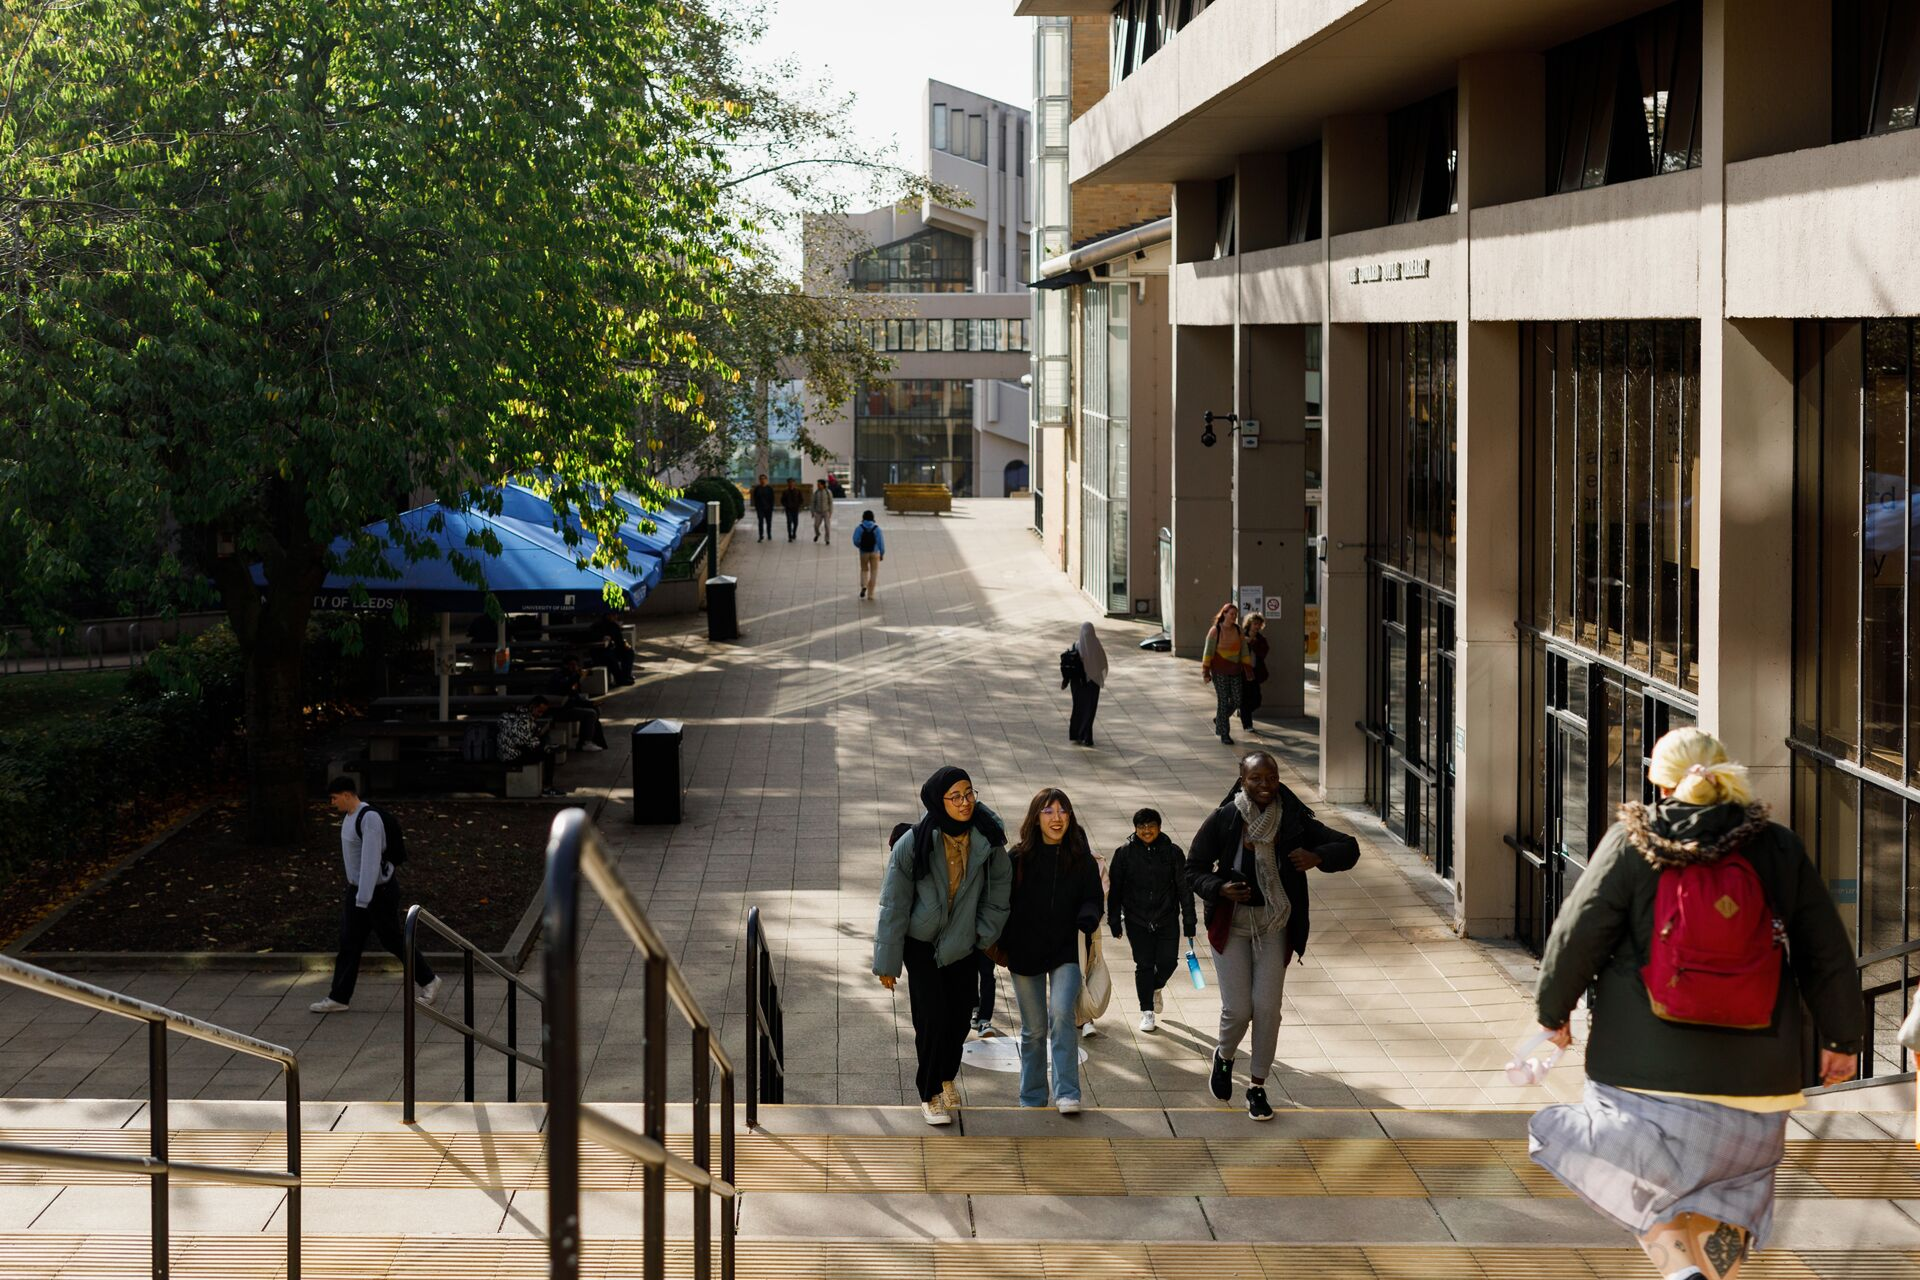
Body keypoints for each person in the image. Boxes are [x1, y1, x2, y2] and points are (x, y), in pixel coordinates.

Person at [1528, 729, 1862, 1280]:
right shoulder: (1777, 847)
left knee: (1644, 1183)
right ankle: (1701, 1277)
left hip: (1640, 1076)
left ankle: (1680, 1274)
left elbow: (1577, 934)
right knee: (1731, 1190)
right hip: (1757, 1081)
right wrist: (1841, 1042)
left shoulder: (1633, 842)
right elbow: (1825, 951)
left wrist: (1552, 1014)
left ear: (1659, 779)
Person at [1188, 750, 1359, 1120]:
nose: (1265, 786)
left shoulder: (1294, 820)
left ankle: (1257, 1088)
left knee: (1267, 1009)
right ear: (1241, 779)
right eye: (1256, 779)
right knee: (1238, 1009)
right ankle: (1224, 1056)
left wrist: (1318, 857)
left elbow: (1349, 846)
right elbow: (1193, 870)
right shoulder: (1226, 818)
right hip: (1231, 925)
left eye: (1271, 778)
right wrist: (1219, 888)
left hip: (1275, 924)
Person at [874, 767, 1011, 1127]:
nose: (965, 803)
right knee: (932, 1020)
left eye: (969, 794)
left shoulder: (988, 837)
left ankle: (947, 1075)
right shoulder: (915, 842)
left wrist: (982, 934)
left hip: (964, 943)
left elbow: (999, 892)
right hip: (921, 946)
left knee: (959, 1018)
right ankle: (929, 1092)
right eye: (956, 796)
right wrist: (887, 962)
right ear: (939, 801)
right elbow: (894, 904)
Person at [1001, 788, 1105, 1114]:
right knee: (1033, 1030)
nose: (1056, 818)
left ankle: (1067, 1093)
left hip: (1066, 952)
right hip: (1025, 953)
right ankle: (1031, 1097)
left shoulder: (1081, 858)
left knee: (1062, 1015)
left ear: (1070, 817)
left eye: (1063, 811)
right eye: (1048, 811)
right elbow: (999, 901)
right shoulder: (1017, 858)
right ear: (1036, 817)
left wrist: (1089, 916)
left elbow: (1093, 897)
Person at [311, 779, 441, 1013]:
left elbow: (371, 861)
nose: (332, 803)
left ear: (348, 794)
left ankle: (429, 981)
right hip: (359, 891)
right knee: (349, 943)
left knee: (391, 939)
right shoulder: (350, 817)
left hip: (376, 893)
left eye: (334, 797)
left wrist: (363, 899)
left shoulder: (368, 819)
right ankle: (339, 997)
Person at [1108, 807, 1195, 1034]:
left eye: (1151, 826)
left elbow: (1184, 889)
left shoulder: (1173, 853)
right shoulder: (1124, 854)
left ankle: (1156, 986)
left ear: (1159, 827)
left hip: (1167, 918)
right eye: (1141, 827)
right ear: (1135, 829)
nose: (1146, 831)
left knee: (1169, 962)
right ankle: (1147, 1010)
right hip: (1137, 919)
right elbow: (1115, 889)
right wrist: (1114, 920)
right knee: (1144, 964)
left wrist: (1189, 920)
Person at [1201, 602, 1252, 745]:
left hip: (1235, 670)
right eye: (1231, 614)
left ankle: (1220, 719)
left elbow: (1244, 650)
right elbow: (1208, 652)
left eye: (1236, 615)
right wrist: (1205, 671)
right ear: (1224, 614)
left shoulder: (1238, 630)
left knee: (1237, 700)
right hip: (1219, 670)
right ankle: (1225, 734)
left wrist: (1248, 668)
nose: (1234, 617)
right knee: (1223, 701)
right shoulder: (1215, 630)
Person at [497, 695, 564, 796]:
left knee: (545, 742)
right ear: (532, 707)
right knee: (549, 754)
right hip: (512, 755)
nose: (540, 715)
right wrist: (542, 746)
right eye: (539, 711)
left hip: (507, 751)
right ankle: (548, 787)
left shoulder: (517, 713)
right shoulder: (523, 720)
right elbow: (523, 742)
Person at [543, 657, 607, 751]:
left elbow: (576, 698)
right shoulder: (558, 676)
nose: (574, 667)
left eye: (576, 665)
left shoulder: (571, 676)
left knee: (596, 709)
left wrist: (592, 703)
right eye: (571, 665)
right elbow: (565, 688)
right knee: (590, 714)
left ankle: (589, 740)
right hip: (559, 709)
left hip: (569, 705)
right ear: (565, 665)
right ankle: (586, 742)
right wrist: (577, 676)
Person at [1064, 622, 1107, 747]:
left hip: (1077, 685)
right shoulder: (1097, 645)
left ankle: (1078, 734)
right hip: (1093, 685)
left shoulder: (1076, 646)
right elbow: (1103, 663)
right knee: (1089, 710)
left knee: (1079, 709)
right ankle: (1087, 736)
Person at [1239, 613, 1270, 732]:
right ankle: (1247, 724)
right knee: (1245, 698)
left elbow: (1263, 653)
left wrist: (1253, 642)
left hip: (1255, 673)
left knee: (1257, 700)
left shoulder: (1261, 639)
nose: (1257, 626)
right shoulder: (1241, 636)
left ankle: (1242, 712)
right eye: (1255, 624)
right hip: (1242, 673)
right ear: (1249, 624)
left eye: (1259, 624)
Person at [589, 614, 635, 686]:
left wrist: (625, 646)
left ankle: (626, 675)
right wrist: (603, 637)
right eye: (613, 615)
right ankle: (619, 679)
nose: (615, 617)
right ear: (607, 615)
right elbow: (592, 638)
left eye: (616, 615)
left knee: (629, 652)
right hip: (600, 651)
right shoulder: (597, 626)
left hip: (612, 649)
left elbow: (619, 641)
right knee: (610, 657)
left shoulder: (614, 626)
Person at [852, 509, 886, 600]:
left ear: (863, 518)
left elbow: (855, 540)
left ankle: (864, 585)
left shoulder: (859, 528)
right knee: (874, 572)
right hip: (875, 552)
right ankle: (870, 594)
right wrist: (882, 553)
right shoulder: (877, 528)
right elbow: (881, 543)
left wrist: (860, 546)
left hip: (864, 552)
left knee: (864, 569)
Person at [750, 474, 775, 542]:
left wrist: (771, 507)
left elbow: (772, 499)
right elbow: (755, 498)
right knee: (760, 522)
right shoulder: (757, 489)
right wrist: (757, 507)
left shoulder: (769, 489)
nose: (762, 480)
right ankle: (760, 535)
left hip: (768, 509)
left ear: (766, 480)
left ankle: (769, 534)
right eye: (761, 479)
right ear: (759, 480)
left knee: (768, 522)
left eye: (764, 479)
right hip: (760, 508)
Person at [810, 478, 834, 544]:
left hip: (826, 512)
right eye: (817, 484)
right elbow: (813, 503)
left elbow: (830, 502)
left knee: (827, 526)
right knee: (816, 525)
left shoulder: (828, 492)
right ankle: (817, 534)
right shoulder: (816, 493)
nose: (818, 485)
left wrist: (830, 512)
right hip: (818, 512)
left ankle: (827, 539)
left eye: (819, 484)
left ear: (823, 485)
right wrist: (812, 512)